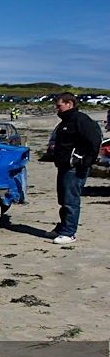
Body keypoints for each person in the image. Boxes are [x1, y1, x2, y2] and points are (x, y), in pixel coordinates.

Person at [46, 92, 101, 244]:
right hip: (63, 166)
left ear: (69, 104)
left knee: (71, 200)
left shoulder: (81, 119)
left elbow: (95, 141)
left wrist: (85, 162)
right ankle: (62, 228)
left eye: (59, 106)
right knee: (63, 200)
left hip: (75, 168)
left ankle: (69, 233)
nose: (57, 109)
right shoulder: (65, 121)